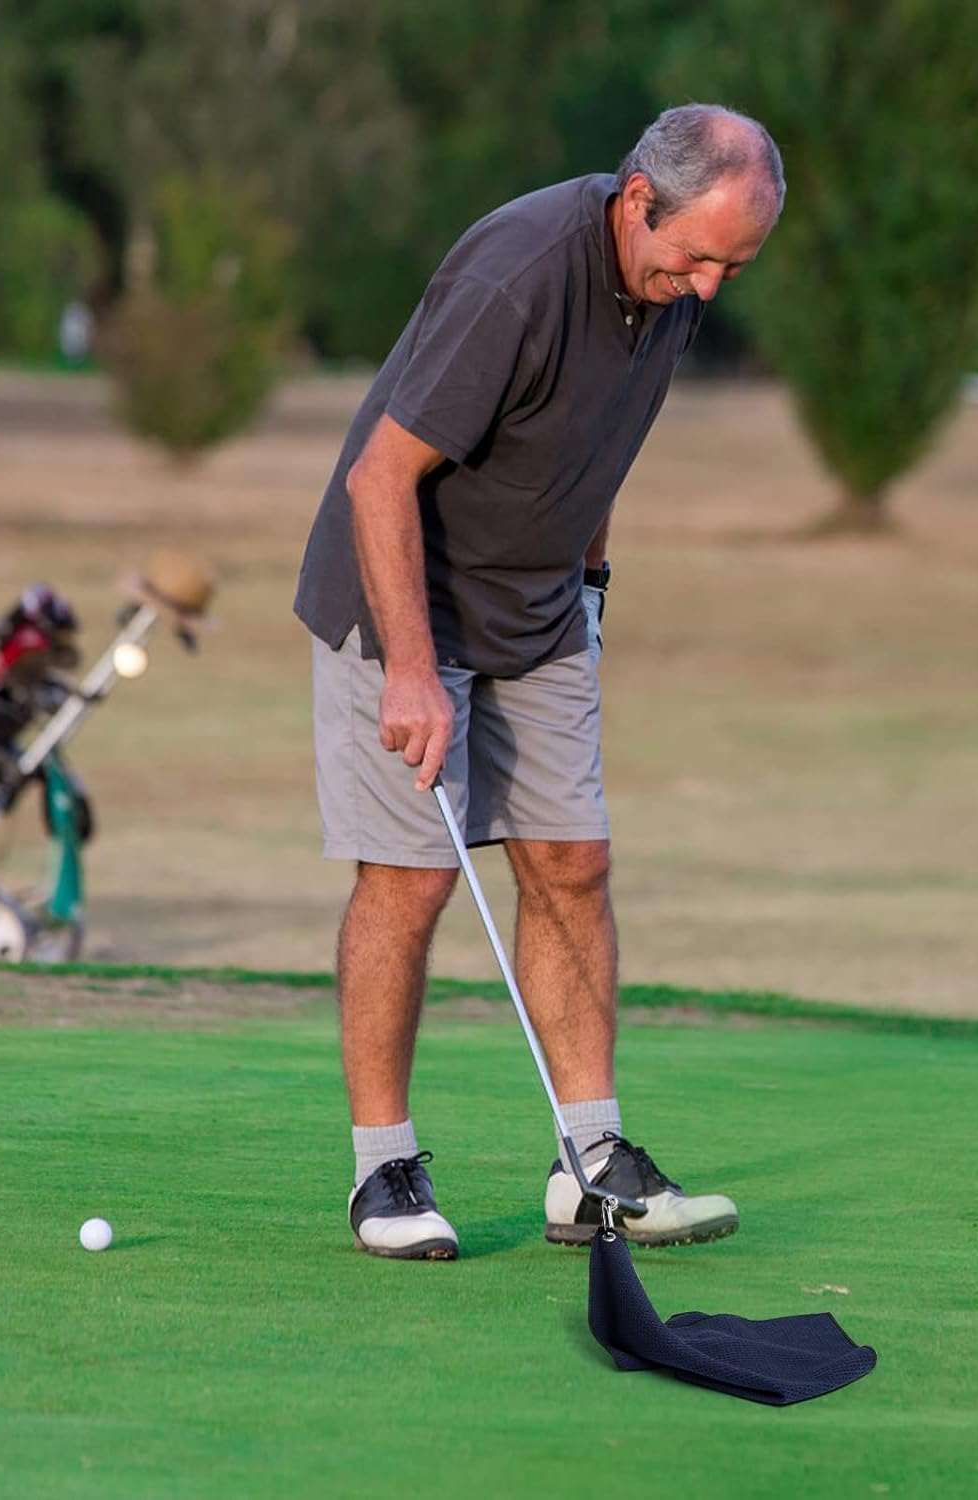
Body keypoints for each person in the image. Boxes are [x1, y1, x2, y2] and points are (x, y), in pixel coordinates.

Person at [294, 104, 783, 1259]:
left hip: (541, 607)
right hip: (403, 598)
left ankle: (592, 1164)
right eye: (698, 256)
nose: (710, 287)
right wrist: (412, 671)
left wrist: (596, 585)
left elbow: (600, 443)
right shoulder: (519, 274)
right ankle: (385, 1172)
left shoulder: (667, 291)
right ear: (635, 202)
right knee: (410, 880)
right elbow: (378, 479)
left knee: (572, 861)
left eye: (733, 265)